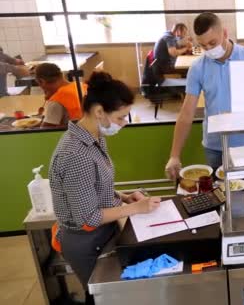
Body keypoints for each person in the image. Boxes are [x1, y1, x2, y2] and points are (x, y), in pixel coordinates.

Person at [49, 71, 161, 302]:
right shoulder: (74, 154)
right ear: (99, 112)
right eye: (121, 117)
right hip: (86, 242)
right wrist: (136, 209)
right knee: (104, 297)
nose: (124, 123)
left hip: (105, 232)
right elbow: (87, 217)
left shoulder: (94, 137)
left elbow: (96, 185)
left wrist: (124, 196)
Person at [164, 12, 244, 177]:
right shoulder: (198, 67)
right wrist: (174, 155)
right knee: (217, 195)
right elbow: (186, 114)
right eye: (203, 45)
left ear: (225, 33)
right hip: (214, 146)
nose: (208, 49)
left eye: (212, 43)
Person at [35, 62, 87, 127]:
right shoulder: (81, 85)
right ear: (61, 75)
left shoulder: (56, 100)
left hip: (73, 135)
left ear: (42, 81)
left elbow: (45, 130)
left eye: (39, 84)